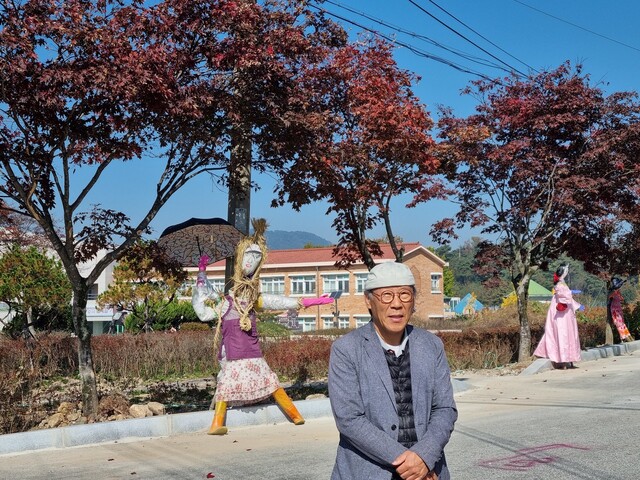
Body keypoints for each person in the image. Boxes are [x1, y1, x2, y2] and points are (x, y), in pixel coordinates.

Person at [192, 218, 333, 435]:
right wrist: (201, 272)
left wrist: (314, 301)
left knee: (267, 384)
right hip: (234, 355)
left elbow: (282, 301)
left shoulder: (252, 301)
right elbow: (203, 303)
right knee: (232, 387)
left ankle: (295, 415)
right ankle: (217, 423)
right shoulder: (225, 303)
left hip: (251, 353)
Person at [328, 262, 457, 480]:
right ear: (368, 301)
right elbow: (349, 419)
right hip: (368, 472)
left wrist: (424, 457)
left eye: (404, 295)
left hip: (428, 472)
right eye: (386, 295)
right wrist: (410, 461)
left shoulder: (431, 345)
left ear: (413, 300)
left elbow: (445, 409)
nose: (396, 304)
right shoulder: (346, 349)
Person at [533, 264, 583, 369]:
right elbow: (562, 296)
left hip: (567, 312)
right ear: (562, 272)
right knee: (562, 332)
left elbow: (567, 297)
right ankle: (563, 360)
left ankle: (570, 359)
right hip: (560, 312)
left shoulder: (562, 283)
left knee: (570, 333)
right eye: (566, 270)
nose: (567, 272)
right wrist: (571, 292)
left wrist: (577, 305)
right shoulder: (559, 284)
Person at [607, 277, 634, 343]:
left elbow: (622, 299)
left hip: (619, 309)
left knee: (622, 323)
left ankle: (626, 336)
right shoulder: (613, 292)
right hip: (615, 310)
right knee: (619, 324)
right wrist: (615, 292)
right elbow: (609, 297)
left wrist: (618, 293)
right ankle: (623, 337)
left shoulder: (618, 292)